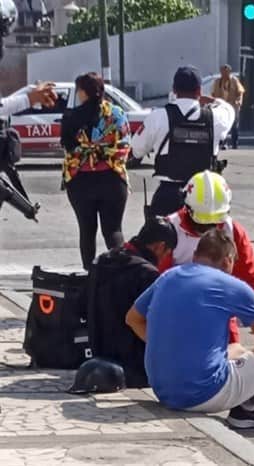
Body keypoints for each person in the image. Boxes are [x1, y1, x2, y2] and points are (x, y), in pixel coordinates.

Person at [125, 229, 254, 428]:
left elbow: (133, 319)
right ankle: (249, 408)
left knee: (237, 348)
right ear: (228, 261)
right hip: (203, 394)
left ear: (196, 254)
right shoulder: (232, 286)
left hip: (164, 390)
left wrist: (167, 346)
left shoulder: (168, 277)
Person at [158, 170, 254, 344]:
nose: (208, 229)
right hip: (175, 315)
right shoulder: (169, 231)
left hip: (221, 315)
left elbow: (251, 280)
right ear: (187, 208)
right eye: (201, 223)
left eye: (214, 223)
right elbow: (156, 282)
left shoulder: (233, 231)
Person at [131, 66, 235, 217]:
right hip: (205, 197)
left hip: (168, 197)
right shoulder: (215, 118)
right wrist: (213, 100)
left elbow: (136, 149)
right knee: (209, 239)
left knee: (156, 239)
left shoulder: (158, 117)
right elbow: (229, 109)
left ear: (174, 90)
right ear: (199, 91)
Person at [87, 216, 177, 388]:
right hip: (134, 367)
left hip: (97, 356)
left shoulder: (101, 261)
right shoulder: (147, 274)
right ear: (160, 246)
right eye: (167, 253)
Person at [60, 72, 131, 270]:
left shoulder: (71, 117)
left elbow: (68, 148)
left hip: (81, 182)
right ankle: (120, 275)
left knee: (87, 230)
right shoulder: (116, 114)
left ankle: (90, 279)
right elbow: (125, 145)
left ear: (83, 92)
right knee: (113, 231)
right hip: (112, 179)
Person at [211, 64, 245, 149]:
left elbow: (240, 92)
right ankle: (223, 143)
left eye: (226, 71)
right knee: (222, 125)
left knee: (234, 125)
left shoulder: (234, 81)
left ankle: (234, 143)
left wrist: (239, 101)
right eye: (222, 71)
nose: (224, 73)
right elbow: (213, 94)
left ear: (229, 72)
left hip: (232, 106)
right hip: (221, 107)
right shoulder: (217, 82)